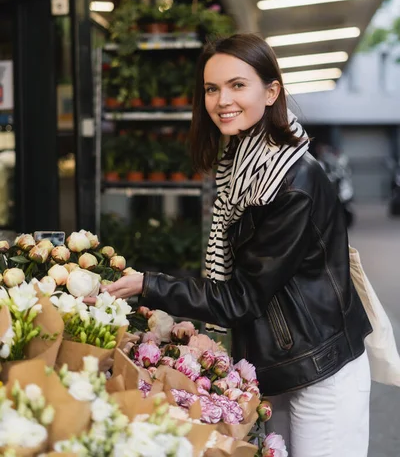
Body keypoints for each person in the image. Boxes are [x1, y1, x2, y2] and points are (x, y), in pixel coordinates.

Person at [93, 33, 372, 457]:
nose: (222, 99)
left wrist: (149, 284)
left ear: (271, 90)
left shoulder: (290, 182)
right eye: (211, 88)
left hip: (321, 367)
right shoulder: (240, 165)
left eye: (237, 85)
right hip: (281, 363)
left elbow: (243, 295)